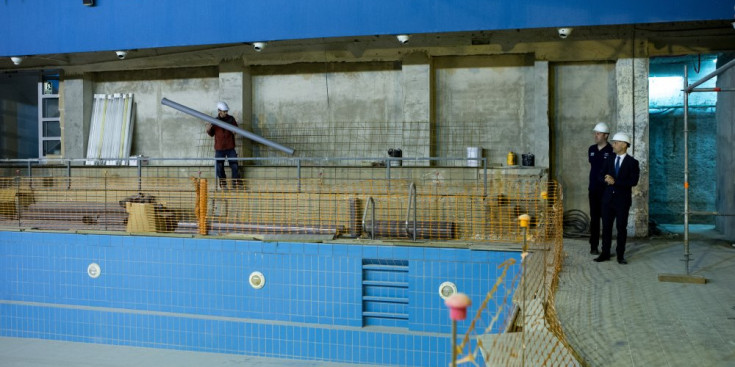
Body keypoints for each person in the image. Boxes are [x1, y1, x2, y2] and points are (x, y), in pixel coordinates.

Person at [594, 132, 640, 264]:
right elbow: (600, 176)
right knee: (607, 227)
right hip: (607, 200)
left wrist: (615, 182)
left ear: (624, 145)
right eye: (613, 142)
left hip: (622, 201)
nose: (613, 144)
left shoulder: (632, 163)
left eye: (616, 142)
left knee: (621, 228)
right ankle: (605, 253)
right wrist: (606, 180)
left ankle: (620, 255)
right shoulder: (609, 159)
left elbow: (633, 181)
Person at [588, 122, 613, 255]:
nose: (595, 136)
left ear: (606, 135)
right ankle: (593, 245)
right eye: (595, 133)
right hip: (593, 189)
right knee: (594, 218)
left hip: (606, 190)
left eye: (598, 133)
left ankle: (606, 248)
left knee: (606, 218)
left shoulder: (611, 151)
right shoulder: (591, 149)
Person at [206, 101, 240, 189]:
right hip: (219, 148)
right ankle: (223, 184)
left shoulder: (231, 119)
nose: (226, 113)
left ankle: (235, 184)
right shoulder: (215, 121)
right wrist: (208, 129)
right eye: (224, 111)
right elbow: (211, 134)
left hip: (230, 147)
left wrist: (234, 131)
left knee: (234, 165)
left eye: (226, 111)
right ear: (219, 111)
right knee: (219, 166)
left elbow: (236, 130)